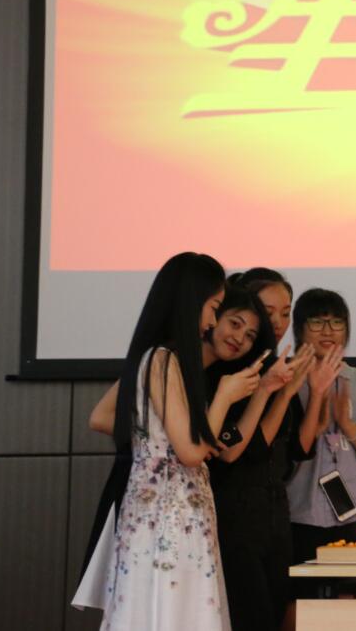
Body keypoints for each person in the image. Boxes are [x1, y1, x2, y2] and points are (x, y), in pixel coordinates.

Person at [74, 252, 262, 630]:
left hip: (175, 510)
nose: (212, 322)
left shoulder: (166, 360)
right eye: (213, 309)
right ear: (190, 301)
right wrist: (225, 396)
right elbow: (191, 452)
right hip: (168, 514)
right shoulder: (161, 360)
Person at [203, 282, 325, 631]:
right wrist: (278, 393)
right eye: (268, 312)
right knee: (249, 612)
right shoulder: (223, 371)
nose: (278, 322)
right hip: (235, 508)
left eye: (285, 313)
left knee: (276, 609)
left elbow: (300, 448)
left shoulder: (276, 366)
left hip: (275, 507)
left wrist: (316, 392)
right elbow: (243, 450)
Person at [286, 288, 356, 564]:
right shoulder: (287, 380)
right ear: (299, 329)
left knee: (353, 587)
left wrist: (348, 425)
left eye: (337, 322)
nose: (328, 331)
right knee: (302, 586)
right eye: (317, 322)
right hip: (300, 507)